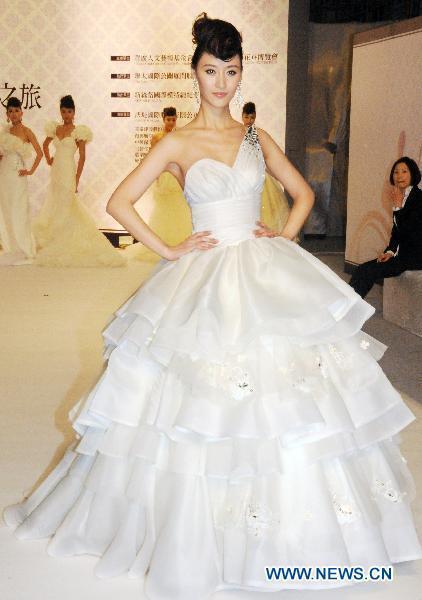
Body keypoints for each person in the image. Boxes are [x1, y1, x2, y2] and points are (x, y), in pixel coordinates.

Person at [4, 14, 421, 599]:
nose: (221, 83)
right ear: (194, 72)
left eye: (231, 71)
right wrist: (169, 249)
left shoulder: (255, 137)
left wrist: (281, 236)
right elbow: (121, 201)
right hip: (200, 274)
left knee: (288, 396)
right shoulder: (177, 142)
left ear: (241, 72)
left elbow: (301, 195)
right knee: (191, 403)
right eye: (210, 71)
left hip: (261, 267)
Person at [33, 95, 125, 267]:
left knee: (68, 204)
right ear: (60, 112)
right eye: (63, 111)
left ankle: (66, 238)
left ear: (74, 112)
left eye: (69, 111)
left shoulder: (79, 131)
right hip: (56, 172)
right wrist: (48, 160)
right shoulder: (55, 128)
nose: (66, 114)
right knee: (56, 203)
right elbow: (45, 145)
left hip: (68, 170)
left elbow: (82, 157)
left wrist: (77, 178)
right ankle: (55, 237)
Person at [350, 156, 422, 298]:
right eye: (396, 172)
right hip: (402, 254)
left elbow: (411, 233)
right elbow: (396, 232)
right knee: (362, 269)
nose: (399, 176)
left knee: (368, 271)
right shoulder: (401, 196)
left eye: (404, 171)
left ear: (413, 174)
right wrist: (389, 251)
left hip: (415, 256)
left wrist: (398, 208)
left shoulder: (419, 198)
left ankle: (350, 310)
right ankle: (346, 307)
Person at [127, 107, 192, 262]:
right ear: (163, 118)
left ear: (176, 119)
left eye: (173, 119)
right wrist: (154, 176)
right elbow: (152, 158)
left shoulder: (179, 136)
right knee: (163, 208)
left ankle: (179, 242)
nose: (171, 122)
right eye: (168, 119)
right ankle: (161, 244)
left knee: (178, 208)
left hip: (176, 175)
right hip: (163, 175)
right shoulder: (157, 137)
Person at [0, 96, 43, 265]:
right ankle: (12, 248)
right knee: (6, 209)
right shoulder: (4, 132)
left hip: (18, 174)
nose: (14, 113)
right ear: (7, 114)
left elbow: (39, 153)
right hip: (4, 174)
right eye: (10, 111)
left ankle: (26, 250)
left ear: (21, 112)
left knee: (19, 210)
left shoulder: (27, 131)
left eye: (16, 110)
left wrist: (30, 170)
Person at [242, 101, 290, 233]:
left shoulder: (259, 135)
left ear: (255, 117)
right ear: (242, 117)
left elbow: (264, 158)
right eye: (246, 117)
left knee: (266, 211)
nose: (249, 120)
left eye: (252, 117)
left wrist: (275, 174)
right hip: (243, 176)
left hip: (260, 176)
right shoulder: (238, 134)